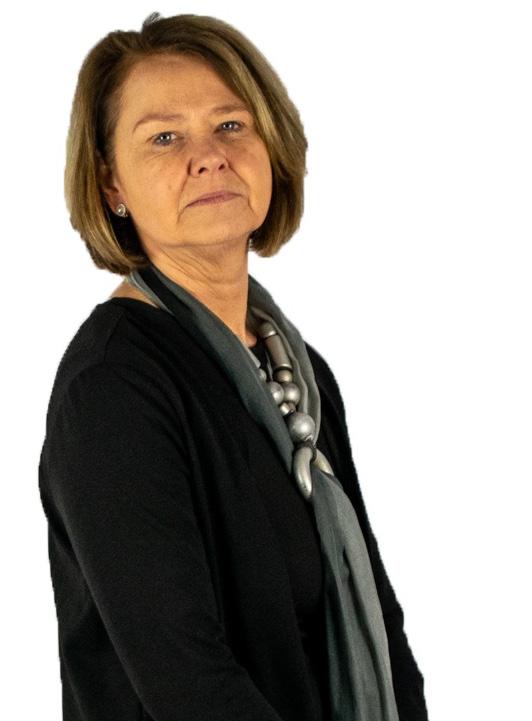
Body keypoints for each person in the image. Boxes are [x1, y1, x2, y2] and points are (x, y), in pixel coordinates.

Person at [38, 12, 429, 721]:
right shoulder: (113, 387)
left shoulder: (298, 372)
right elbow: (185, 678)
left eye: (231, 125)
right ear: (111, 184)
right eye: (164, 137)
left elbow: (382, 618)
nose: (210, 156)